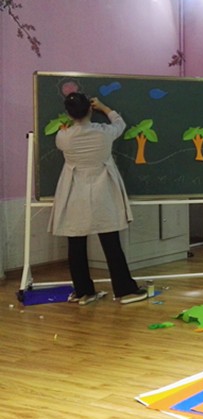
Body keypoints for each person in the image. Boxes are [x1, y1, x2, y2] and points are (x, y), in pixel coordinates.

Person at [48, 92, 148, 305]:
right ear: (89, 110)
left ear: (69, 114)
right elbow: (120, 124)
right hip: (103, 191)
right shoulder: (104, 132)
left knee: (76, 242)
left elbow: (65, 136)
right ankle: (124, 290)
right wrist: (104, 107)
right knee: (111, 242)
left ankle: (83, 291)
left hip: (74, 192)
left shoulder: (63, 137)